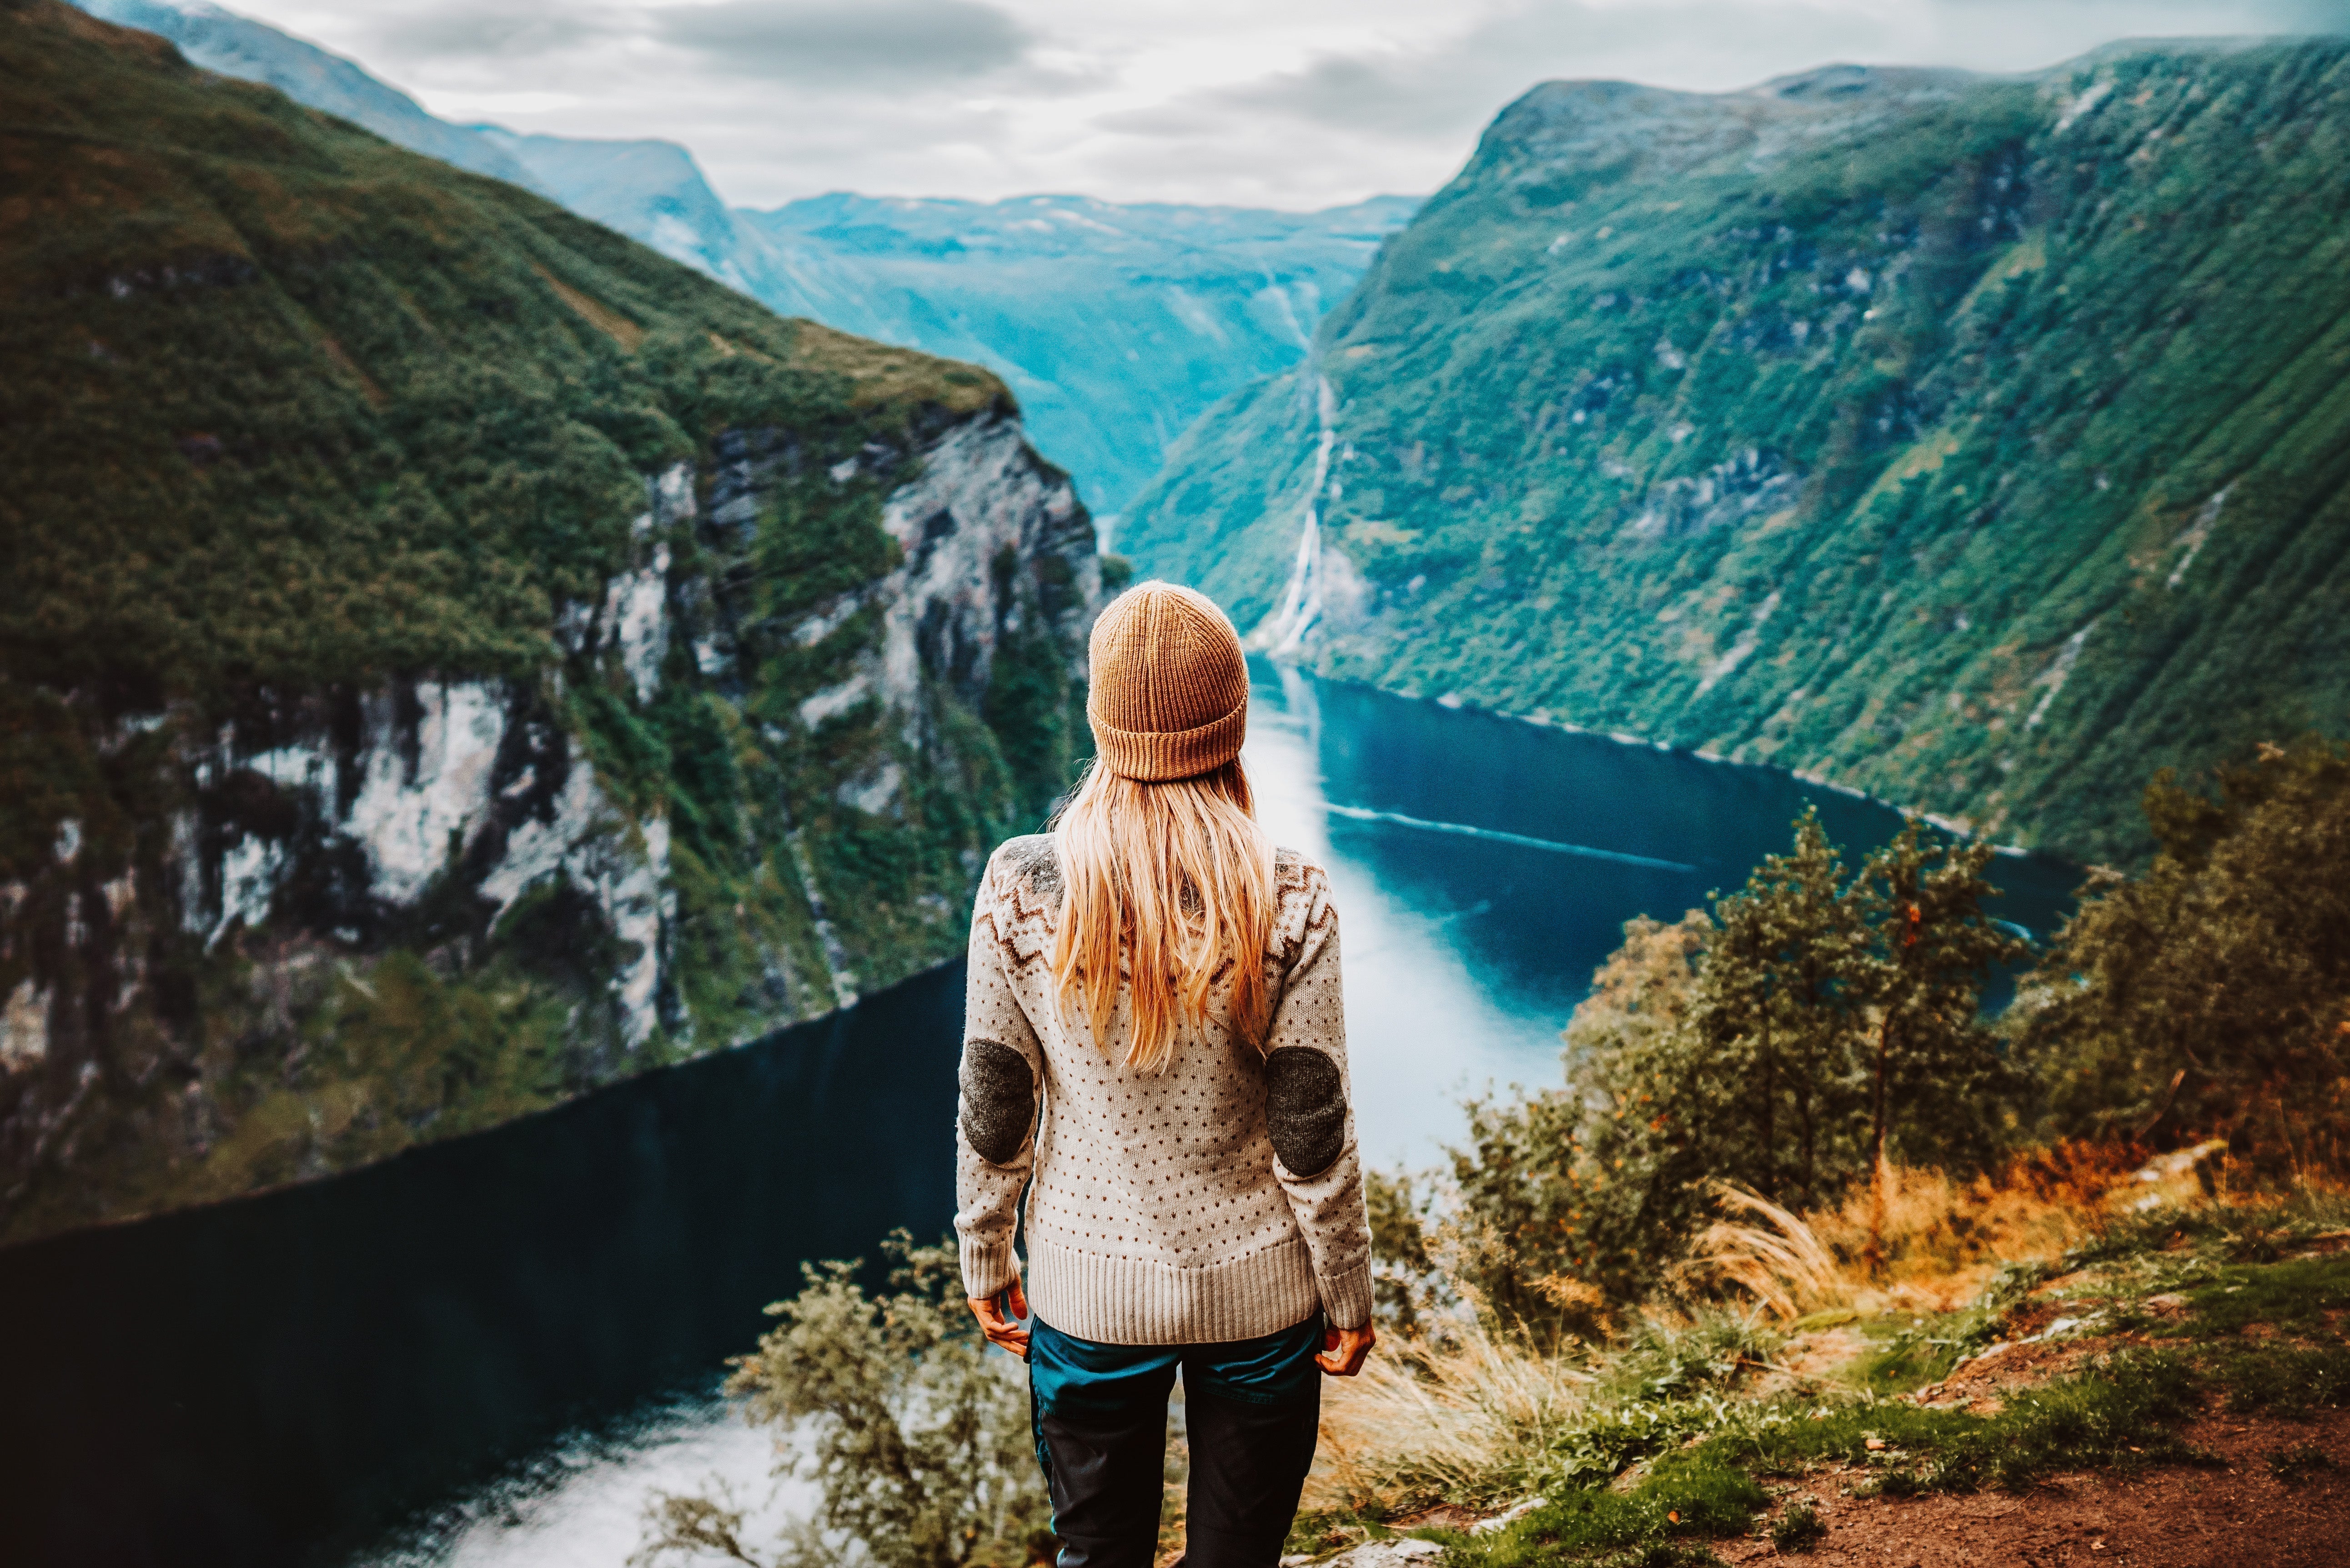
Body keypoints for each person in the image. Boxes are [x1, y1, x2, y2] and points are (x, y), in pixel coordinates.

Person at [954, 580, 1376, 1568]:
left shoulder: (1023, 881)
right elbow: (1312, 1130)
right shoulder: (1291, 894)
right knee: (1236, 1558)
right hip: (1262, 1296)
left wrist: (987, 1256)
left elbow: (994, 1100)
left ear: (1102, 720)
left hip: (1086, 1294)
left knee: (1096, 1555)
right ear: (1230, 723)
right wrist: (1348, 1290)